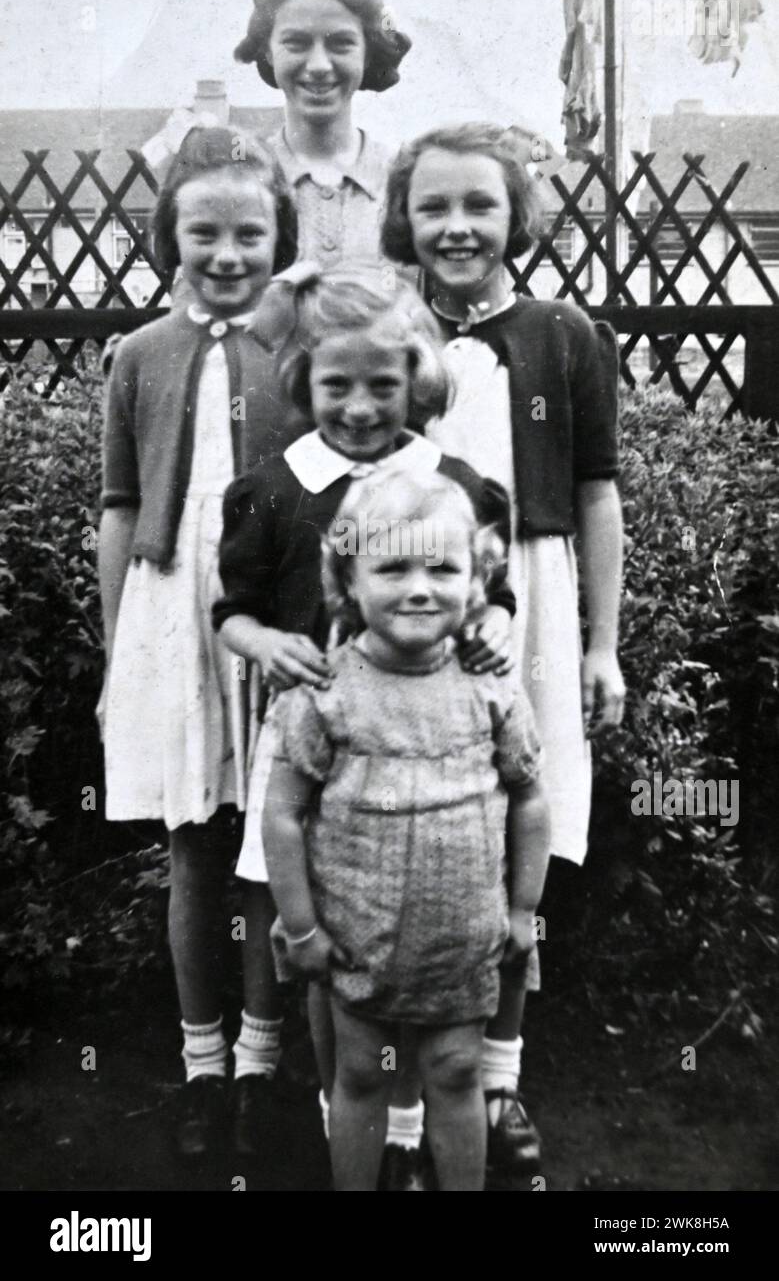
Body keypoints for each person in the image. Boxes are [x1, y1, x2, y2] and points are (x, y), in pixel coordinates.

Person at [212, 261, 518, 1185]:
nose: (357, 407)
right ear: (305, 381)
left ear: (415, 381)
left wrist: (498, 624)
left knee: (423, 933)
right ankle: (334, 1108)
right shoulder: (272, 487)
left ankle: (413, 1132)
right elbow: (230, 609)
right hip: (319, 750)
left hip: (426, 746)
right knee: (329, 946)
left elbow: (492, 591)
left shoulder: (451, 481)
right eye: (336, 385)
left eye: (381, 385)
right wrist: (263, 641)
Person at [382, 121, 625, 1180]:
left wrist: (601, 646)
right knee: (404, 838)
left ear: (515, 217)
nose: (456, 226)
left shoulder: (565, 334)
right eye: (432, 206)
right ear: (405, 219)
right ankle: (395, 1103)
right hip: (408, 606)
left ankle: (497, 1079)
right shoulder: (386, 331)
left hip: (530, 604)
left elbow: (594, 496)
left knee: (511, 848)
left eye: (479, 205)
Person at [261, 466, 551, 1191]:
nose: (419, 587)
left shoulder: (489, 688)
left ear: (476, 580)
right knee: (359, 1072)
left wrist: (521, 910)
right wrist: (300, 929)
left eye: (442, 567)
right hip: (357, 938)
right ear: (347, 581)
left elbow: (529, 799)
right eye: (391, 567)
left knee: (454, 1072)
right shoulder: (324, 694)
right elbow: (282, 815)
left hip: (462, 939)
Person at [98, 125, 298, 1162]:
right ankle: (201, 1066)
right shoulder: (138, 353)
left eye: (248, 235)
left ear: (279, 238)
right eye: (203, 233)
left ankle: (265, 1065)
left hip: (269, 621)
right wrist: (113, 653)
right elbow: (120, 510)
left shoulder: (296, 350)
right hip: (170, 619)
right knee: (191, 847)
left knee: (268, 844)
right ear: (169, 237)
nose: (226, 255)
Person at [234, 0, 411, 268]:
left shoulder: (405, 177)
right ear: (268, 51)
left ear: (368, 51)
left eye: (340, 43)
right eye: (297, 43)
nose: (318, 64)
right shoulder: (238, 177)